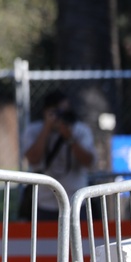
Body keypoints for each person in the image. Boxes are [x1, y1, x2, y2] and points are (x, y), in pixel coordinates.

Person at [20, 89, 95, 220]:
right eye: (56, 112)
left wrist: (70, 138)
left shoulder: (80, 130)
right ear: (45, 112)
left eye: (64, 112)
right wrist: (47, 129)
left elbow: (89, 161)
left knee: (78, 240)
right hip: (44, 203)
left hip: (75, 202)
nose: (60, 116)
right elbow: (33, 159)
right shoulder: (34, 130)